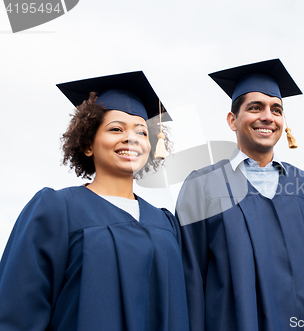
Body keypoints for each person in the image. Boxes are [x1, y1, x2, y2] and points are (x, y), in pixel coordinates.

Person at [0, 71, 189, 330]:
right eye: (115, 129)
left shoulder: (165, 222)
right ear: (88, 144)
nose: (131, 138)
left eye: (142, 132)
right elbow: (18, 312)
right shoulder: (56, 209)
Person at [176, 59, 304, 331]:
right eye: (255, 107)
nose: (267, 117)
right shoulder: (203, 185)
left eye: (276, 110)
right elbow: (190, 277)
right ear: (232, 120)